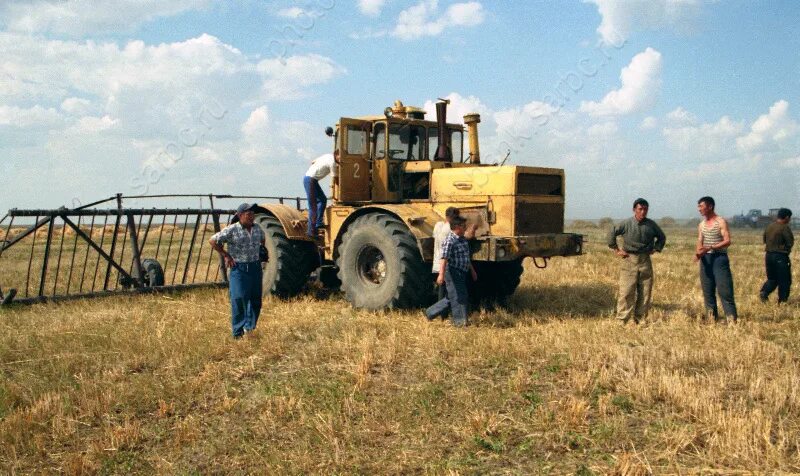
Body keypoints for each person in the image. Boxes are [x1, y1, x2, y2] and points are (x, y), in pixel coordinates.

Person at [209, 203, 266, 339]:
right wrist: (226, 255)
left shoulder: (258, 228)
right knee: (239, 299)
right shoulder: (232, 230)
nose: (251, 217)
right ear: (240, 215)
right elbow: (212, 241)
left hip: (255, 268)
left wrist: (262, 252)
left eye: (253, 214)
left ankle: (250, 328)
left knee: (255, 300)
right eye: (248, 214)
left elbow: (262, 240)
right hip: (239, 269)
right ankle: (237, 333)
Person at [607, 198, 666, 324]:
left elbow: (662, 237)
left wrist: (656, 248)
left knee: (645, 291)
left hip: (645, 260)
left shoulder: (651, 224)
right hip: (629, 259)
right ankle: (622, 319)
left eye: (645, 209)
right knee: (626, 291)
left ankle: (640, 319)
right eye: (640, 209)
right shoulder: (626, 223)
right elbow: (612, 232)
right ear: (634, 209)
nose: (643, 212)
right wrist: (616, 249)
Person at [425, 216, 478, 327]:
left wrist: (472, 271)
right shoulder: (450, 241)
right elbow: (444, 259)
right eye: (464, 226)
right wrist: (441, 275)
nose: (465, 228)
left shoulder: (462, 239)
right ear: (457, 227)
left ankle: (430, 312)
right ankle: (460, 322)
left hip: (462, 272)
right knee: (459, 296)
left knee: (451, 296)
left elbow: (466, 257)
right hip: (452, 272)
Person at [695, 196, 738, 323]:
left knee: (725, 290)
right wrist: (698, 253)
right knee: (707, 291)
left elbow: (727, 241)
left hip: (719, 259)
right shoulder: (701, 224)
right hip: (706, 260)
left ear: (710, 207)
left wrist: (711, 247)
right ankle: (711, 319)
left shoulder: (720, 222)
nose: (699, 209)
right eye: (698, 207)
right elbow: (699, 241)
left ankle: (732, 320)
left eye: (701, 206)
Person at [760, 208, 793, 303]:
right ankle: (782, 301)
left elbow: (764, 240)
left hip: (768, 256)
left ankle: (764, 292)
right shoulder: (784, 227)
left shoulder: (769, 226)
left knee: (772, 279)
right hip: (780, 257)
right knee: (785, 280)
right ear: (786, 217)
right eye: (789, 218)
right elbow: (789, 242)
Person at [304, 152, 338, 239]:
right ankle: (311, 231)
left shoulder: (327, 156)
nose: (340, 160)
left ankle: (319, 222)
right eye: (340, 157)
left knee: (323, 200)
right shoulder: (332, 162)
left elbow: (313, 161)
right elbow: (335, 177)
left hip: (312, 179)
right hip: (310, 180)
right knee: (313, 206)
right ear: (337, 155)